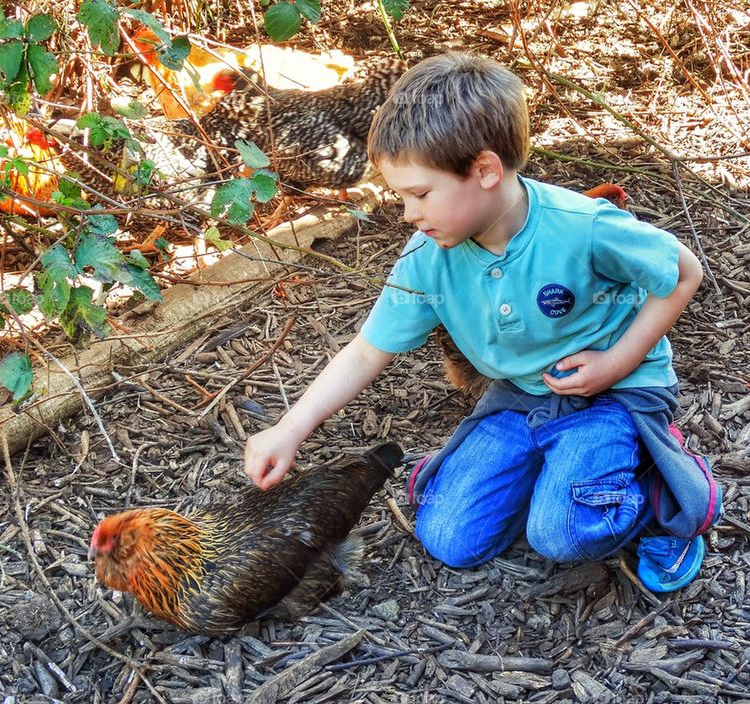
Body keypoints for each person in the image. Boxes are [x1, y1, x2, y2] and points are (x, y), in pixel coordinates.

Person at [244, 52, 722, 593]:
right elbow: (365, 351)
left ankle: (665, 495)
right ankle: (554, 476)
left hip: (614, 395)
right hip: (521, 398)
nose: (408, 214)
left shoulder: (581, 227)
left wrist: (617, 362)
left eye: (420, 194)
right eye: (401, 197)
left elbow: (683, 272)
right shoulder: (426, 257)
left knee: (562, 535)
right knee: (448, 537)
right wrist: (289, 429)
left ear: (486, 171)